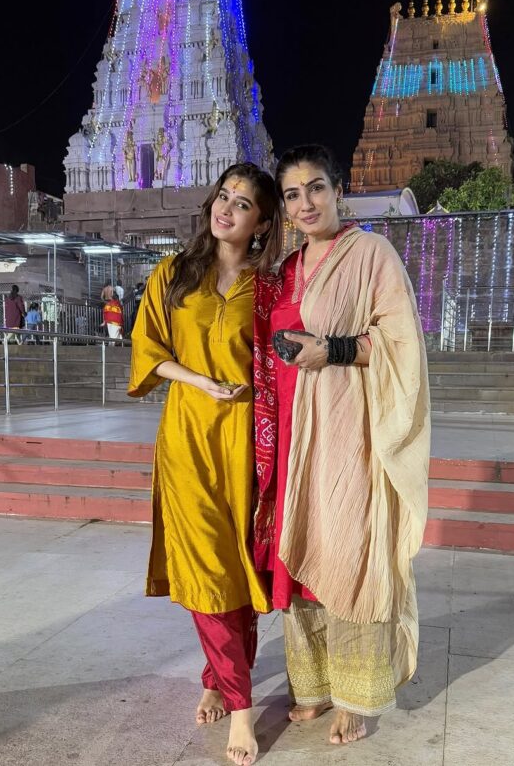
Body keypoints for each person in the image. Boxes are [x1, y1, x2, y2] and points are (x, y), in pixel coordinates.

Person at [253, 145, 431, 745]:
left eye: (317, 188)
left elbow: (400, 341)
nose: (306, 203)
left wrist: (328, 350)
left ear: (338, 192)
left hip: (348, 432)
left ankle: (357, 693)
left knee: (350, 547)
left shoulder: (372, 253)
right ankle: (314, 686)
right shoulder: (286, 267)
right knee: (299, 550)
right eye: (294, 194)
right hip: (290, 436)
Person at [127, 162, 282, 766]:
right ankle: (242, 711)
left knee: (239, 565)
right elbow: (149, 350)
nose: (227, 209)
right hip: (189, 435)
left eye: (243, 204)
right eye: (223, 196)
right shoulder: (175, 273)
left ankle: (217, 676)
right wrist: (199, 380)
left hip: (247, 441)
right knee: (207, 565)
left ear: (262, 223)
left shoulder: (268, 287)